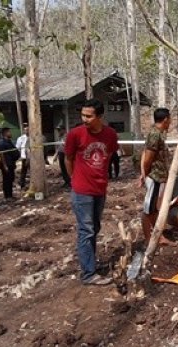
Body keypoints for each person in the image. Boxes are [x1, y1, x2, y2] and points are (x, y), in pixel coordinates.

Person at [65, 98, 118, 286]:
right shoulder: (75, 134)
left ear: (100, 117)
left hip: (99, 189)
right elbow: (68, 159)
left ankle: (91, 264)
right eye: (83, 115)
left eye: (89, 116)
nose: (85, 119)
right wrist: (75, 180)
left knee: (94, 228)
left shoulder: (110, 135)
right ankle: (88, 274)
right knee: (86, 230)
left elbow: (109, 156)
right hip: (82, 191)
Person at [139, 107, 174, 246]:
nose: (170, 122)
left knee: (154, 209)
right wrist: (146, 175)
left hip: (159, 177)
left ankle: (158, 236)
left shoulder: (158, 133)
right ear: (165, 119)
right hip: (155, 177)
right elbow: (147, 157)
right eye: (170, 119)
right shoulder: (155, 134)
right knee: (148, 209)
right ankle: (149, 239)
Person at [0, 128, 20, 200]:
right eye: (9, 132)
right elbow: (1, 154)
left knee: (11, 179)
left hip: (11, 163)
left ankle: (10, 195)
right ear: (5, 133)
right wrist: (5, 165)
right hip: (6, 164)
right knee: (7, 180)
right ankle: (7, 196)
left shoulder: (9, 141)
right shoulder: (1, 142)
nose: (10, 133)